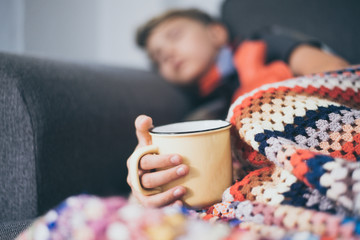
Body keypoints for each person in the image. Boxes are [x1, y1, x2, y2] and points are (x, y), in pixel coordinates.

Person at [126, 8, 349, 208]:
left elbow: (338, 74)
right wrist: (147, 178)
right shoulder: (203, 112)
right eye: (157, 58)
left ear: (216, 33)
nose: (167, 54)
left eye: (175, 36)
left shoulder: (259, 45)